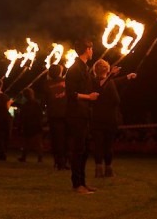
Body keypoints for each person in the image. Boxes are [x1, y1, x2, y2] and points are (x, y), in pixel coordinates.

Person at [90, 58, 136, 178]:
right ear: (107, 70)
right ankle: (101, 170)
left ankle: (106, 170)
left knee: (105, 145)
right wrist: (111, 75)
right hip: (103, 118)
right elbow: (102, 85)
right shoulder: (95, 82)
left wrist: (128, 77)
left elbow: (116, 82)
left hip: (104, 118)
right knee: (102, 145)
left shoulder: (109, 81)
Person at [65, 38, 99, 194]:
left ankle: (83, 183)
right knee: (78, 150)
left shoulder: (84, 68)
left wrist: (110, 75)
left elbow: (93, 89)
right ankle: (77, 184)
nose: (92, 51)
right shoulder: (74, 69)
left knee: (84, 150)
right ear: (87, 49)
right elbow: (71, 94)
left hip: (84, 114)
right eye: (91, 49)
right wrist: (88, 97)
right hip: (76, 115)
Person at [42, 64, 69, 170]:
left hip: (53, 115)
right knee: (66, 139)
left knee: (56, 139)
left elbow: (44, 101)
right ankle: (65, 161)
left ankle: (58, 161)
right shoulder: (66, 81)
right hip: (66, 114)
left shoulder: (46, 84)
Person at [15, 87, 44, 163]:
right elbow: (40, 115)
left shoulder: (25, 105)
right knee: (37, 143)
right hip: (35, 126)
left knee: (27, 143)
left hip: (29, 126)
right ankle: (39, 158)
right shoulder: (36, 104)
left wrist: (20, 126)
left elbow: (22, 117)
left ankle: (24, 157)